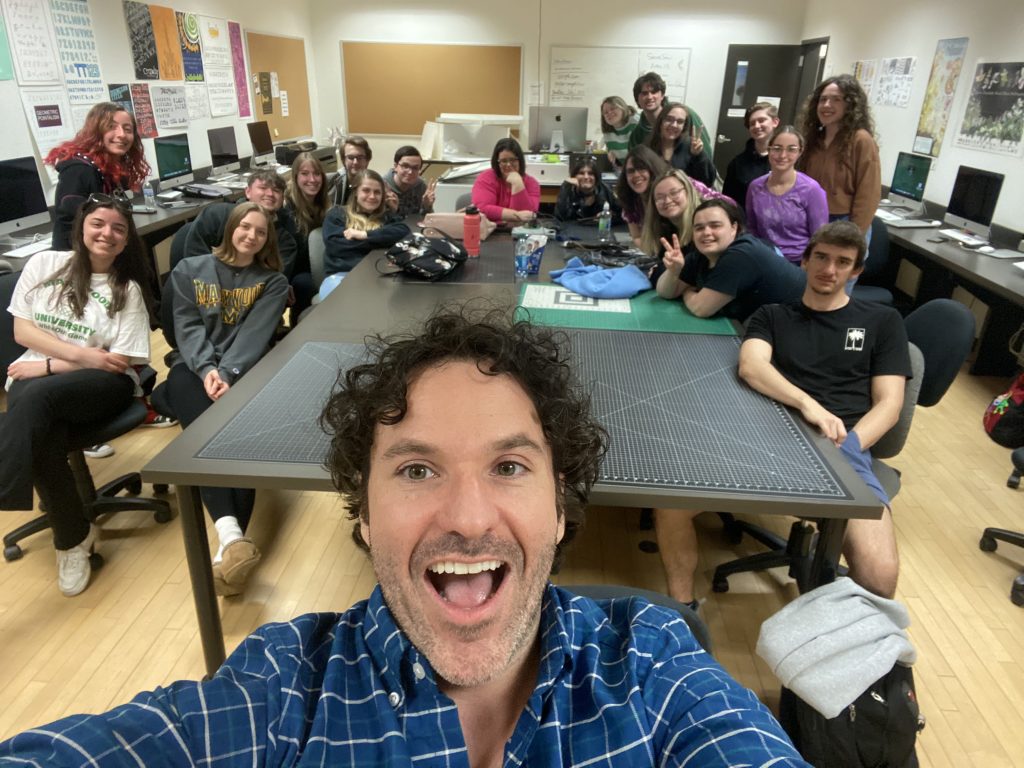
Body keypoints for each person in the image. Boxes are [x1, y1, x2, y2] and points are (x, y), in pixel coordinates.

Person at [0, 306, 810, 766]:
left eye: (511, 467)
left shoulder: (658, 669)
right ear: (359, 510)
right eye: (417, 470)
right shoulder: (284, 693)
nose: (466, 516)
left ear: (562, 508)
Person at [655, 221, 908, 609]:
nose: (829, 269)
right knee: (670, 504)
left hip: (844, 446)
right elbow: (752, 367)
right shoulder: (772, 315)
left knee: (880, 576)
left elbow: (889, 404)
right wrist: (809, 404)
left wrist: (849, 447)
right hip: (767, 439)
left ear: (857, 271)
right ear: (804, 261)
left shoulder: (882, 322)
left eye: (843, 262)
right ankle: (683, 610)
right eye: (821, 257)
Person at [0, 195, 153, 596]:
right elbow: (23, 332)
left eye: (118, 229)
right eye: (99, 224)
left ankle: (5, 490)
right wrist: (80, 355)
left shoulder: (126, 289)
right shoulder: (44, 265)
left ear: (125, 241)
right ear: (82, 228)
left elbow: (118, 362)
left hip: (105, 385)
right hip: (40, 377)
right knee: (41, 435)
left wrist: (50, 365)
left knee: (30, 400)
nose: (107, 233)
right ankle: (73, 540)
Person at [164, 201, 289, 596]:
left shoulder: (273, 282)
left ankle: (229, 545)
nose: (251, 235)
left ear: (267, 240)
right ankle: (233, 541)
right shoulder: (190, 270)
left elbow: (255, 335)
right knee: (208, 432)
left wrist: (229, 373)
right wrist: (207, 370)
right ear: (231, 228)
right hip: (195, 370)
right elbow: (185, 326)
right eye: (245, 227)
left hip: (245, 371)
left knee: (233, 439)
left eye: (261, 231)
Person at [655, 198, 804, 321]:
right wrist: (673, 273)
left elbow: (701, 308)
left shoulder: (742, 254)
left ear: (734, 228)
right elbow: (665, 292)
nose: (706, 233)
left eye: (715, 225)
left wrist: (686, 292)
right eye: (699, 228)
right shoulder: (701, 256)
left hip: (805, 323)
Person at [44, 102, 150, 251]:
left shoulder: (109, 167)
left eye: (128, 129)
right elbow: (73, 220)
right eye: (111, 127)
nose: (121, 134)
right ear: (96, 132)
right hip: (79, 260)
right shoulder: (79, 169)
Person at [798, 74, 881, 238]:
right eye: (823, 100)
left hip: (845, 223)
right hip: (812, 218)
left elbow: (868, 194)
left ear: (850, 105)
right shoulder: (813, 139)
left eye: (836, 99)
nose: (827, 105)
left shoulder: (861, 140)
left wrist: (854, 234)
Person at [184, 169, 299, 280]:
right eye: (263, 188)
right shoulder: (217, 216)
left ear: (282, 198)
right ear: (248, 192)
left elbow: (272, 282)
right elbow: (194, 260)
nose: (270, 194)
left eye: (276, 190)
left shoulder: (286, 242)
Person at [745, 125, 829, 263]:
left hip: (799, 262)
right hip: (764, 258)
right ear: (769, 149)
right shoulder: (755, 187)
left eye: (791, 149)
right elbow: (752, 229)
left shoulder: (811, 190)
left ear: (800, 152)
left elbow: (819, 238)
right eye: (777, 148)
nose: (783, 155)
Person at [322, 169, 410, 277]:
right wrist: (382, 241)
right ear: (355, 192)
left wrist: (364, 235)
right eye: (366, 190)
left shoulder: (386, 216)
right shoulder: (336, 214)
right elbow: (338, 247)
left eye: (377, 192)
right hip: (343, 274)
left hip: (379, 273)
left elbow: (404, 232)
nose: (372, 196)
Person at [639, 168, 734, 263]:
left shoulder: (705, 229)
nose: (667, 201)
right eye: (659, 198)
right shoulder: (664, 230)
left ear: (688, 191)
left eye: (674, 193)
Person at [284, 152, 330, 320]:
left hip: (319, 265)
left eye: (317, 173)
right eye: (305, 173)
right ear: (295, 177)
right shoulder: (286, 209)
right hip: (296, 271)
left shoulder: (324, 204)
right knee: (304, 284)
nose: (312, 179)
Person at [722, 101, 779, 208]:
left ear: (775, 122)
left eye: (761, 120)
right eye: (752, 123)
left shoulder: (787, 160)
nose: (757, 126)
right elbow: (728, 202)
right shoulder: (737, 164)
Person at [647, 101, 717, 187]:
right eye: (669, 119)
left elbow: (707, 182)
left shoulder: (690, 146)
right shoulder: (648, 146)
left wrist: (698, 156)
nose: (674, 125)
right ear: (661, 121)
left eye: (680, 121)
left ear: (684, 125)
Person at [470, 137, 539, 224]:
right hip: (491, 232)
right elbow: (482, 208)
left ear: (520, 161)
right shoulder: (486, 178)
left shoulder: (532, 183)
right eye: (503, 161)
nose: (508, 165)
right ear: (497, 163)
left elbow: (528, 216)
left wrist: (517, 184)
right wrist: (515, 215)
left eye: (513, 160)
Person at [615, 145, 669, 247]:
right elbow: (637, 237)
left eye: (641, 168)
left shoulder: (670, 191)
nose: (636, 175)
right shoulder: (631, 200)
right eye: (631, 171)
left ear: (652, 169)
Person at [553, 155, 620, 223]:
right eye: (581, 173)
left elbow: (622, 215)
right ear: (574, 176)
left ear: (596, 177)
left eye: (590, 173)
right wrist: (566, 186)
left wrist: (610, 217)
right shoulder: (568, 189)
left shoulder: (605, 190)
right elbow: (559, 218)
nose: (586, 177)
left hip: (599, 230)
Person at [383, 145, 437, 216]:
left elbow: (426, 220)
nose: (410, 172)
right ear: (395, 166)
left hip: (414, 226)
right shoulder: (382, 186)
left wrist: (427, 206)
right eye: (405, 166)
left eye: (415, 168)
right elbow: (375, 221)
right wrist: (391, 210)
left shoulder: (420, 186)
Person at [599, 95, 639, 172]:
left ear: (623, 108)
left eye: (613, 109)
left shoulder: (636, 121)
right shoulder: (608, 132)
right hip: (627, 171)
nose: (609, 113)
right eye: (605, 112)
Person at [329, 135, 372, 206]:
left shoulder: (376, 185)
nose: (355, 162)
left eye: (360, 157)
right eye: (350, 157)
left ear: (367, 160)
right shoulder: (331, 182)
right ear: (343, 160)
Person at [628, 71, 666, 149]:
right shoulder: (636, 135)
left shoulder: (683, 115)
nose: (649, 97)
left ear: (662, 95)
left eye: (654, 92)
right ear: (637, 99)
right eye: (644, 93)